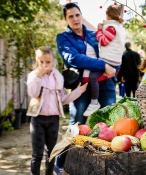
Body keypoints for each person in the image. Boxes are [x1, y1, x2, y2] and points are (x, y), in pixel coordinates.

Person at [54, 3, 117, 174]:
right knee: (76, 125)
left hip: (105, 84)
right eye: (70, 16)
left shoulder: (93, 34)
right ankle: (59, 163)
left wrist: (113, 68)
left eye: (77, 15)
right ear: (66, 19)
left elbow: (110, 51)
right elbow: (74, 59)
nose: (75, 19)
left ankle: (107, 165)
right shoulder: (63, 38)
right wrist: (102, 64)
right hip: (81, 87)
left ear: (81, 15)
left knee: (110, 124)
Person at [27, 46, 87, 175]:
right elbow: (33, 93)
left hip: (53, 119)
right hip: (38, 119)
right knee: (37, 154)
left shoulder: (58, 78)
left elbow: (63, 99)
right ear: (37, 61)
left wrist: (78, 91)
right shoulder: (33, 76)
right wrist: (39, 75)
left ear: (53, 61)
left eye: (47, 62)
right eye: (41, 62)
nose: (44, 65)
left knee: (52, 152)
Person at [83, 4, 125, 117]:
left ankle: (94, 102)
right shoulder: (120, 27)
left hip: (108, 59)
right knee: (99, 75)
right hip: (115, 60)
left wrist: (99, 31)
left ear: (108, 16)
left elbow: (103, 41)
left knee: (93, 76)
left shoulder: (112, 28)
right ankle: (95, 102)